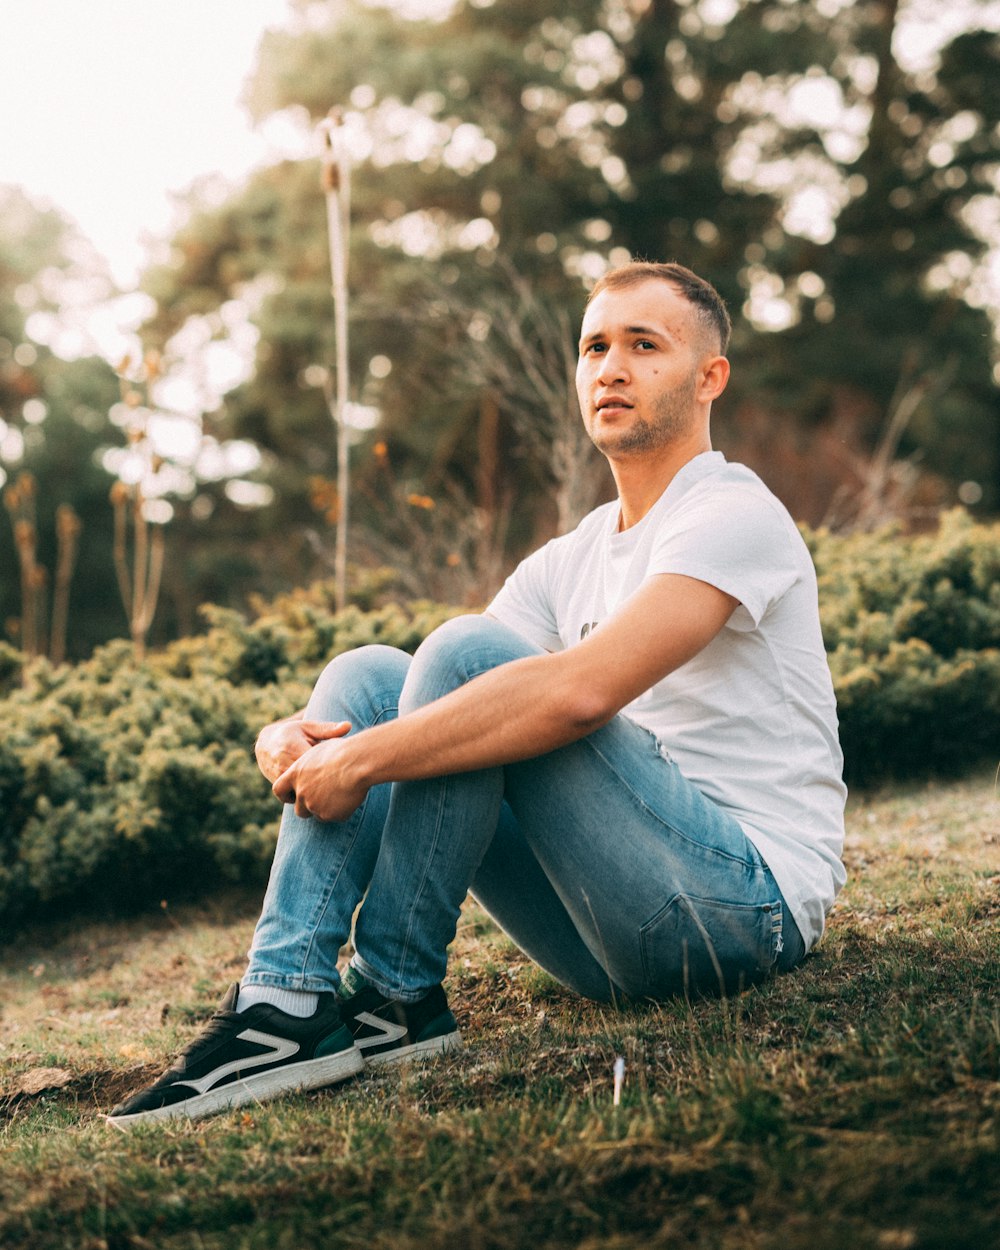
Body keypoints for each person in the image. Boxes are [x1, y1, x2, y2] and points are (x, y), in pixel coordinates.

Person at [107, 261, 846, 1128]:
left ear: (709, 376)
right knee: (371, 675)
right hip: (602, 934)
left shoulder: (733, 512)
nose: (611, 368)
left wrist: (358, 761)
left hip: (740, 915)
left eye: (645, 346)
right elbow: (430, 704)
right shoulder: (571, 556)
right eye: (595, 347)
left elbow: (575, 694)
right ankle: (288, 1000)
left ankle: (392, 987)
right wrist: (297, 736)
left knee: (465, 663)